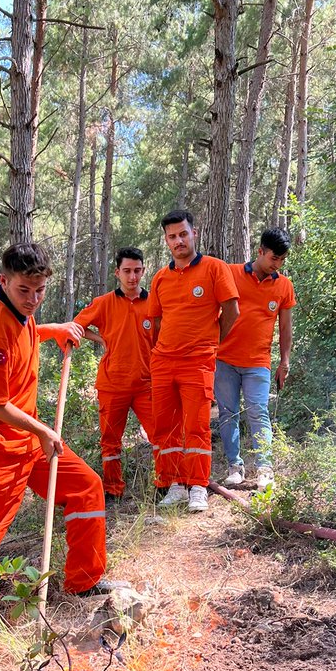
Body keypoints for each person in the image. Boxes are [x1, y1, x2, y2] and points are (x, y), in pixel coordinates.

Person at [0, 242, 107, 618]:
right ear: (3, 281)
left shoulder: (20, 312)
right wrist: (42, 430)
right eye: (24, 290)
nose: (33, 299)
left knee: (87, 487)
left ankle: (84, 582)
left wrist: (51, 329)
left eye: (40, 291)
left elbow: (25, 329)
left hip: (26, 439)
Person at [146, 209, 239, 513]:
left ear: (194, 233)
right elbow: (156, 321)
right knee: (166, 427)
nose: (178, 240)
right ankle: (174, 484)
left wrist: (212, 343)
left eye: (183, 234)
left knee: (197, 426)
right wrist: (162, 349)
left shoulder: (215, 268)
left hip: (198, 362)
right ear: (166, 240)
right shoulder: (160, 277)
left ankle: (198, 486)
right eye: (172, 236)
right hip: (163, 362)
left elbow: (232, 311)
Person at [215, 226, 295, 490]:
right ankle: (234, 467)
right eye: (274, 258)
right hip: (224, 359)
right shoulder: (231, 273)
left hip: (258, 362)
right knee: (227, 413)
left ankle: (264, 469)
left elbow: (285, 328)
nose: (278, 264)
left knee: (258, 412)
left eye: (282, 260)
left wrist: (285, 361)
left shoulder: (284, 286)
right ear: (260, 251)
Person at [74, 247, 154, 498]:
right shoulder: (104, 303)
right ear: (117, 272)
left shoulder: (154, 302)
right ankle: (113, 488)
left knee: (161, 434)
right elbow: (78, 325)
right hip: (112, 383)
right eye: (127, 271)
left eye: (137, 271)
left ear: (143, 270)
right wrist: (101, 339)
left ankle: (165, 483)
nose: (132, 277)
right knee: (110, 440)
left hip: (146, 383)